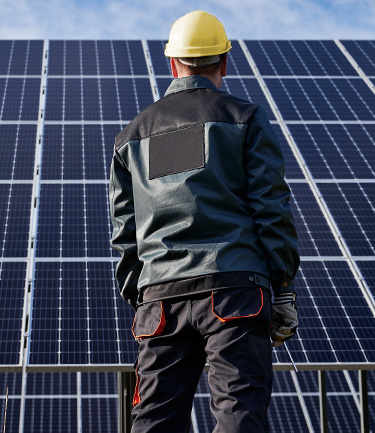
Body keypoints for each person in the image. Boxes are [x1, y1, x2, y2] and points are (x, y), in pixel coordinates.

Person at [109, 10, 299, 432]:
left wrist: (140, 293)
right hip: (235, 291)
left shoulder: (131, 136)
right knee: (238, 416)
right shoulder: (243, 118)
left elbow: (125, 233)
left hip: (160, 298)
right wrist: (283, 288)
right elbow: (271, 208)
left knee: (153, 421)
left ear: (173, 63)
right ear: (224, 63)